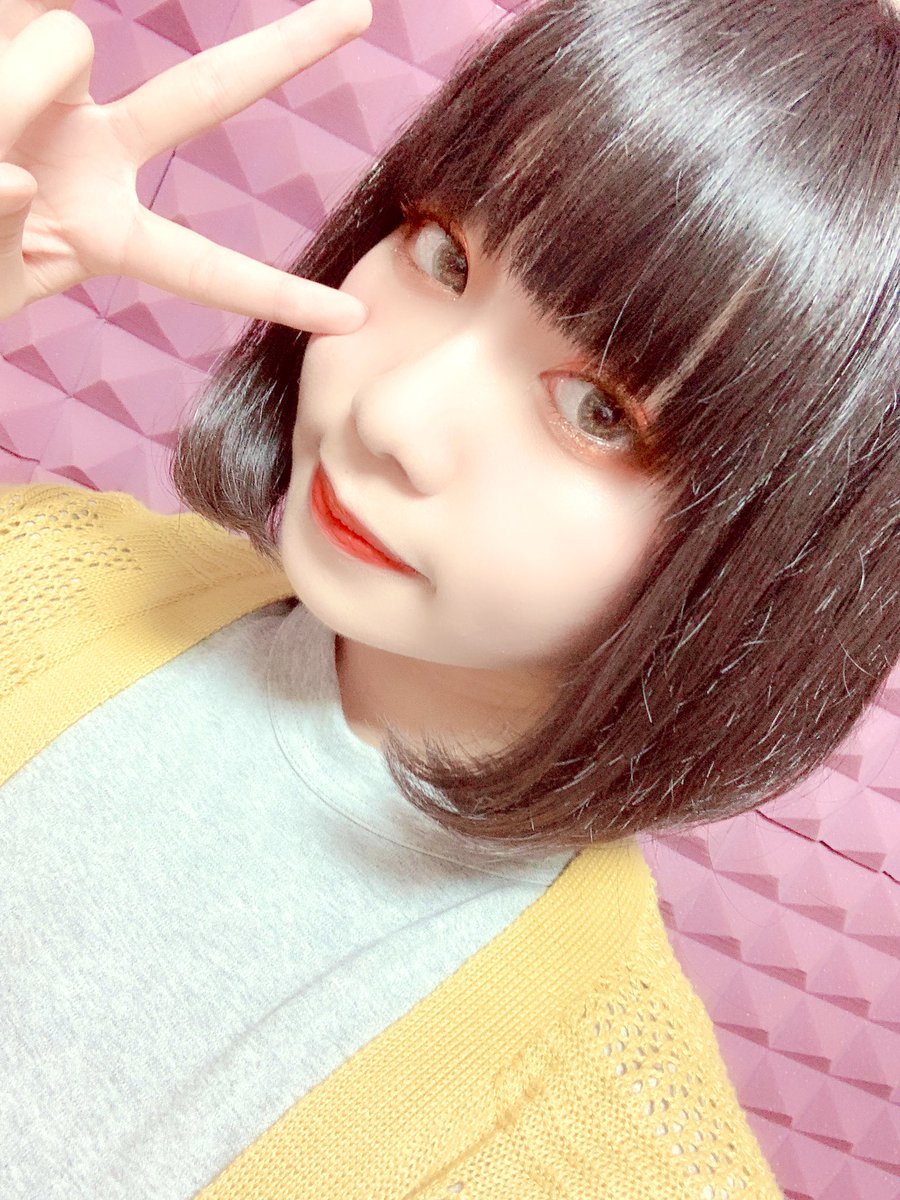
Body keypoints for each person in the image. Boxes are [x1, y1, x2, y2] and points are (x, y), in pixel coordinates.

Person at [1, 0, 897, 1196]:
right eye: (443, 255)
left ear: (780, 557)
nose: (392, 415)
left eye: (600, 412)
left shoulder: (608, 1160)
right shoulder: (51, 570)